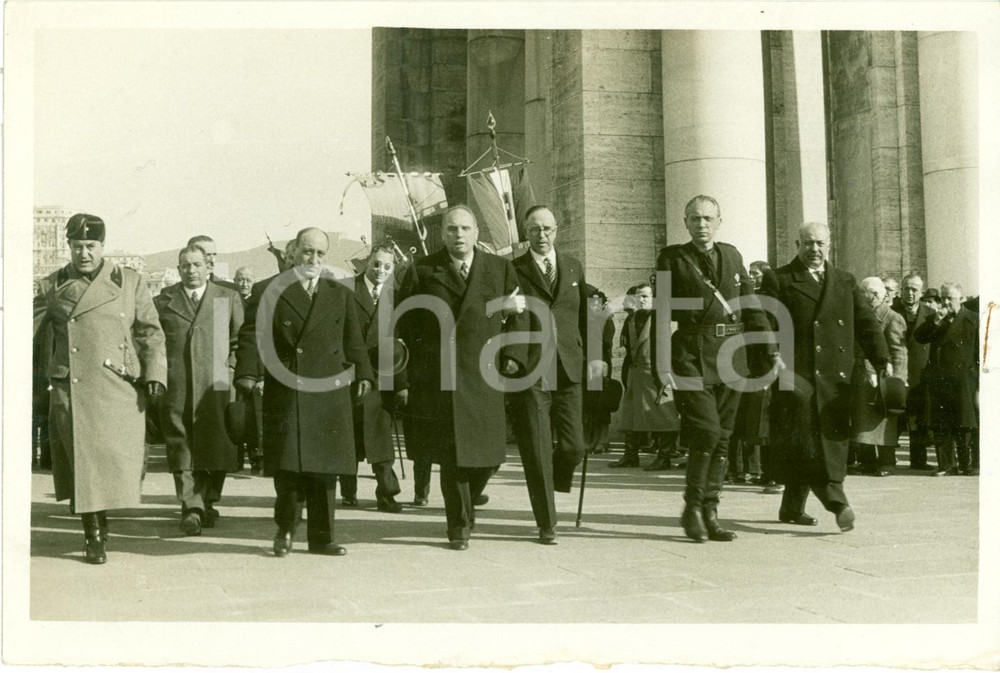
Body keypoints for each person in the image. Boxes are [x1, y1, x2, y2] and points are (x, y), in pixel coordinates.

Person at [33, 213, 167, 564]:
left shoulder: (130, 282)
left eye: (91, 246)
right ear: (69, 247)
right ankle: (94, 535)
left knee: (115, 460)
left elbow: (150, 332)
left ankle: (103, 524)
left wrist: (155, 373)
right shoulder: (52, 286)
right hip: (73, 388)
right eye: (77, 247)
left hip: (117, 384)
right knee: (85, 464)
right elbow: (26, 331)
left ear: (102, 246)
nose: (84, 254)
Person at [235, 227, 373, 557]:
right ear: (293, 252)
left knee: (326, 468)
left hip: (330, 389)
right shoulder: (267, 290)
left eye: (320, 254)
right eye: (307, 252)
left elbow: (353, 339)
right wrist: (247, 373)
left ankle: (322, 537)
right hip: (288, 387)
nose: (313, 259)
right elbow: (251, 336)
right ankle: (285, 529)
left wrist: (364, 372)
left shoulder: (339, 292)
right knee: (289, 467)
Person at [397, 205, 524, 551]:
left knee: (489, 455)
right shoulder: (423, 270)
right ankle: (459, 526)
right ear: (442, 233)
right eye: (452, 229)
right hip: (443, 378)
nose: (459, 235)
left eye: (465, 228)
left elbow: (519, 316)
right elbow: (404, 322)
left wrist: (512, 357)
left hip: (485, 374)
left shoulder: (499, 269)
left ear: (477, 233)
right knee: (453, 456)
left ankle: (472, 500)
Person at [656, 195, 772, 543]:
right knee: (706, 431)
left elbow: (751, 306)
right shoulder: (672, 259)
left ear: (719, 221)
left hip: (732, 357)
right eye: (694, 218)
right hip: (690, 356)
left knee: (722, 437)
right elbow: (662, 314)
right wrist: (661, 368)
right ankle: (692, 507)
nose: (701, 224)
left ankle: (711, 510)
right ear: (685, 222)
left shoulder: (733, 255)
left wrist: (770, 349)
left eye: (707, 218)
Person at [770, 222, 890, 533]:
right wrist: (771, 356)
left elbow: (866, 323)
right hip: (797, 376)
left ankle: (791, 508)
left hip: (837, 378)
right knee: (810, 442)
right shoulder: (780, 279)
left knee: (827, 439)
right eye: (808, 243)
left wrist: (882, 358)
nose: (814, 249)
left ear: (829, 245)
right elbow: (763, 322)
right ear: (797, 244)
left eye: (820, 243)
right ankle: (837, 502)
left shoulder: (845, 281)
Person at [507, 205, 601, 545]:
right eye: (534, 230)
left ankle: (557, 479)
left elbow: (582, 317)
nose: (541, 235)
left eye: (547, 229)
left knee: (575, 446)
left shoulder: (573, 266)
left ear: (557, 230)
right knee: (536, 449)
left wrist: (594, 357)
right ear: (526, 233)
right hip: (532, 370)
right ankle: (547, 522)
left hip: (568, 367)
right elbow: (510, 318)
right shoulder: (514, 270)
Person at [154, 245, 244, 535]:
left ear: (209, 267)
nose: (190, 271)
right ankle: (191, 506)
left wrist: (230, 371)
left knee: (216, 446)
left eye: (196, 265)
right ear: (178, 268)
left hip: (215, 386)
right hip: (177, 385)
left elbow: (238, 341)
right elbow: (154, 342)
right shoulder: (164, 301)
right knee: (181, 445)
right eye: (185, 265)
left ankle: (206, 499)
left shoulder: (225, 298)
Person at [338, 244, 407, 513]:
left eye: (387, 266)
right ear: (367, 262)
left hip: (382, 376)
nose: (381, 270)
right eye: (376, 264)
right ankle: (348, 489)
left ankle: (387, 494)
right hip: (350, 372)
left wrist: (401, 384)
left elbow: (400, 344)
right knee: (350, 434)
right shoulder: (345, 289)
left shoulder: (396, 297)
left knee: (380, 434)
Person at [612, 282, 682, 471]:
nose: (640, 300)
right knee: (630, 416)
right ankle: (630, 455)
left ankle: (664, 456)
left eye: (645, 296)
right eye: (637, 296)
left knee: (665, 417)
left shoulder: (664, 319)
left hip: (657, 373)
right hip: (635, 374)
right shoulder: (631, 319)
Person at [914, 283, 979, 477]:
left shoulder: (973, 320)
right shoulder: (936, 319)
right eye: (943, 298)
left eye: (950, 298)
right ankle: (946, 465)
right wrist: (935, 321)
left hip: (964, 379)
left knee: (965, 422)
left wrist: (979, 383)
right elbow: (919, 337)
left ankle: (968, 465)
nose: (946, 302)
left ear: (961, 298)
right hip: (940, 379)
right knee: (942, 423)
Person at [730, 261, 781, 493]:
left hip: (759, 370)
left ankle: (760, 471)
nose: (751, 278)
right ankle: (756, 470)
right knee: (758, 425)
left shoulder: (762, 307)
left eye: (755, 274)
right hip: (759, 369)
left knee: (759, 425)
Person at [850, 277, 908, 477]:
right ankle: (867, 461)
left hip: (883, 377)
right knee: (862, 422)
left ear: (874, 295)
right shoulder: (860, 316)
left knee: (884, 422)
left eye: (863, 294)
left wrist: (898, 380)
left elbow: (899, 351)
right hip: (862, 375)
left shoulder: (892, 318)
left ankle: (886, 462)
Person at [893, 272, 936, 470]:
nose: (910, 293)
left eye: (914, 290)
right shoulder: (892, 310)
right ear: (901, 290)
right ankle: (888, 459)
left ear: (921, 292)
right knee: (894, 416)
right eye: (906, 289)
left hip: (921, 372)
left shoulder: (930, 313)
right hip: (897, 371)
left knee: (919, 417)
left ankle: (918, 461)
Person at [582, 286, 615, 455]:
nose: (593, 306)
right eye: (590, 303)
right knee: (588, 405)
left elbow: (605, 343)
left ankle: (602, 439)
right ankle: (589, 439)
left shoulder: (606, 321)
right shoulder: (585, 320)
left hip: (600, 364)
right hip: (586, 365)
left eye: (597, 303)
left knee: (601, 405)